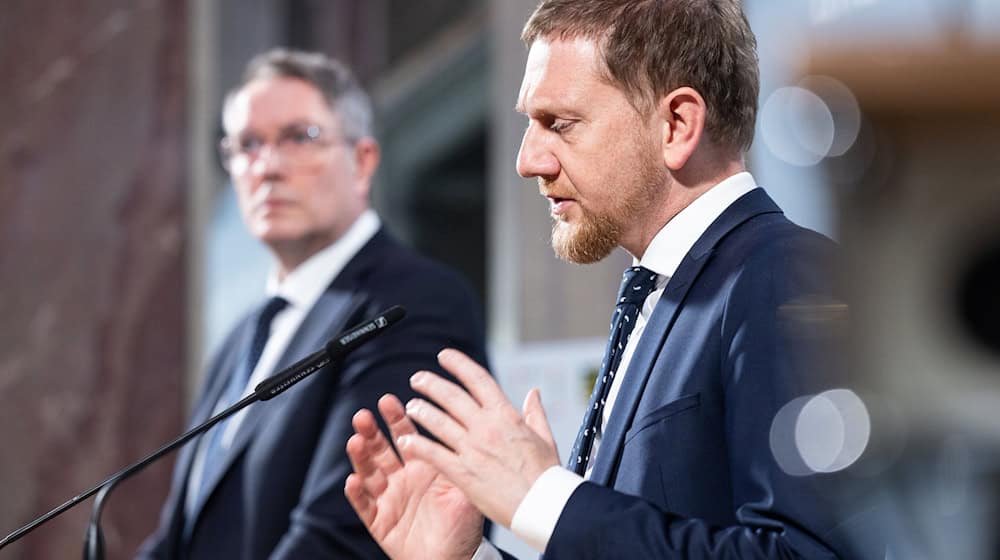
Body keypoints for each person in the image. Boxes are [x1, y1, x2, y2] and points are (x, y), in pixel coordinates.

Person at [344, 1, 863, 558]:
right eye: (529, 123)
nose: (527, 160)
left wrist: (543, 497)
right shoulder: (658, 292)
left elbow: (804, 554)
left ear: (677, 125)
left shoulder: (786, 276)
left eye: (559, 123)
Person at [138, 48, 488, 559]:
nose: (268, 166)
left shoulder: (410, 302)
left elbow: (345, 533)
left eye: (299, 137)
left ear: (363, 160)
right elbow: (178, 537)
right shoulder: (245, 336)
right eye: (247, 145)